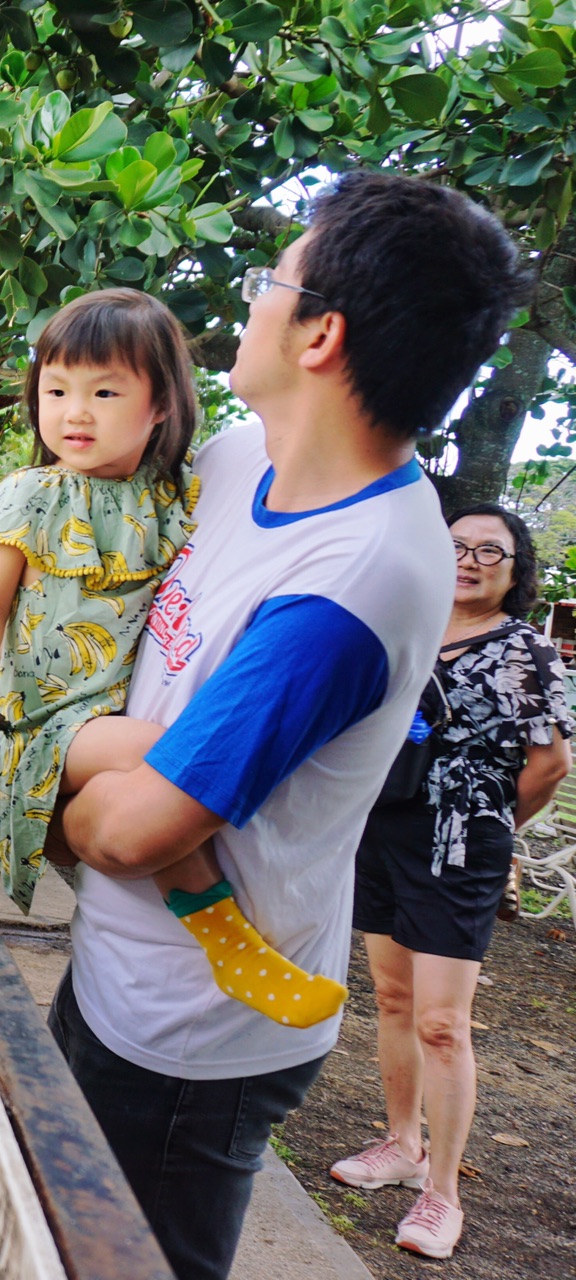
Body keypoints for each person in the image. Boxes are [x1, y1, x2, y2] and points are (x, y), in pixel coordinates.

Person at [31, 173, 524, 1280]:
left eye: (271, 282)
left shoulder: (349, 586)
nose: (250, 302)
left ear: (320, 335)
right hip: (118, 969)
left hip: (190, 1036)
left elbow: (133, 833)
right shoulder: (236, 461)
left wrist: (52, 746)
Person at [0, 289, 336, 1025]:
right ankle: (229, 938)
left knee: (162, 776)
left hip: (124, 701)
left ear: (160, 406)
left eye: (104, 391)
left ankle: (227, 938)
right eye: (56, 390)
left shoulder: (179, 494)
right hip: (50, 722)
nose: (75, 412)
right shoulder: (31, 495)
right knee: (169, 758)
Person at [332, 504, 570, 1259]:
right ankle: (401, 1143)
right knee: (394, 1000)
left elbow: (548, 766)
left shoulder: (526, 650)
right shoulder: (407, 627)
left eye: (489, 552)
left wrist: (487, 829)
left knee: (443, 1023)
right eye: (455, 546)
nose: (468, 560)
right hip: (383, 831)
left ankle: (443, 1193)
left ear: (513, 571)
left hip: (461, 849)